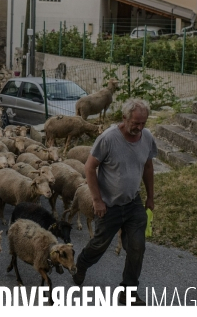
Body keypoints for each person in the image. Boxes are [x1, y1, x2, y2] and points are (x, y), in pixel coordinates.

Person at [71, 98, 156, 306]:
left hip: (133, 203)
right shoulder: (108, 138)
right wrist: (97, 200)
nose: (140, 127)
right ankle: (80, 264)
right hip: (109, 206)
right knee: (98, 246)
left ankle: (128, 292)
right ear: (124, 118)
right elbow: (89, 168)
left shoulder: (147, 137)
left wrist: (151, 197)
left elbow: (148, 167)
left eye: (143, 123)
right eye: (136, 123)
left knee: (137, 248)